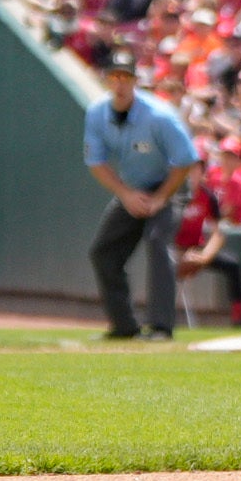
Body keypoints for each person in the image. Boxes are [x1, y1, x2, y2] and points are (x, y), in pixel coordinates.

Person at [84, 61, 199, 341]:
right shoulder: (97, 113)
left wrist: (161, 198)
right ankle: (123, 327)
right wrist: (125, 194)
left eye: (126, 77)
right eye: (114, 77)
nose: (120, 83)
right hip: (132, 188)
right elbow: (95, 161)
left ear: (136, 81)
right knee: (103, 252)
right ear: (107, 81)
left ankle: (161, 327)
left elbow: (185, 160)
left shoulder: (159, 115)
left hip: (168, 185)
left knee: (158, 241)